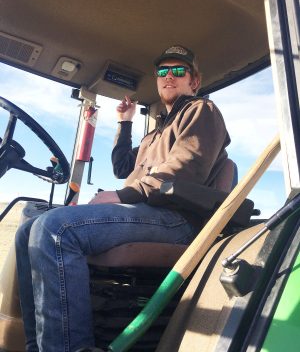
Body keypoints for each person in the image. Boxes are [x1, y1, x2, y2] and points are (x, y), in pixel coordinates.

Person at [15, 45, 230, 352]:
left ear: (193, 82)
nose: (169, 76)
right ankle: (37, 345)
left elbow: (184, 171)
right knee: (27, 230)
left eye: (179, 71)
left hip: (175, 218)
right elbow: (120, 167)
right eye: (163, 71)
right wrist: (125, 122)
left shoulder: (201, 112)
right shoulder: (154, 134)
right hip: (143, 209)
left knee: (55, 229)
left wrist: (120, 195)